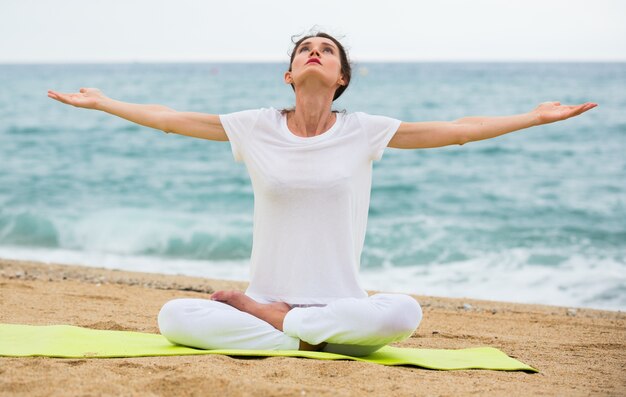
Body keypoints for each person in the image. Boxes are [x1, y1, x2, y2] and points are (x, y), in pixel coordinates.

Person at [48, 31, 597, 356]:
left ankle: (282, 324)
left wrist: (534, 118)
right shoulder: (256, 125)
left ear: (341, 79)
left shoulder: (363, 130)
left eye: (326, 51)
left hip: (338, 303)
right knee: (173, 316)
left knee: (402, 313)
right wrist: (105, 102)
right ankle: (298, 329)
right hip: (266, 298)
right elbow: (170, 119)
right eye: (305, 50)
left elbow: (458, 128)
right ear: (289, 74)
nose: (314, 53)